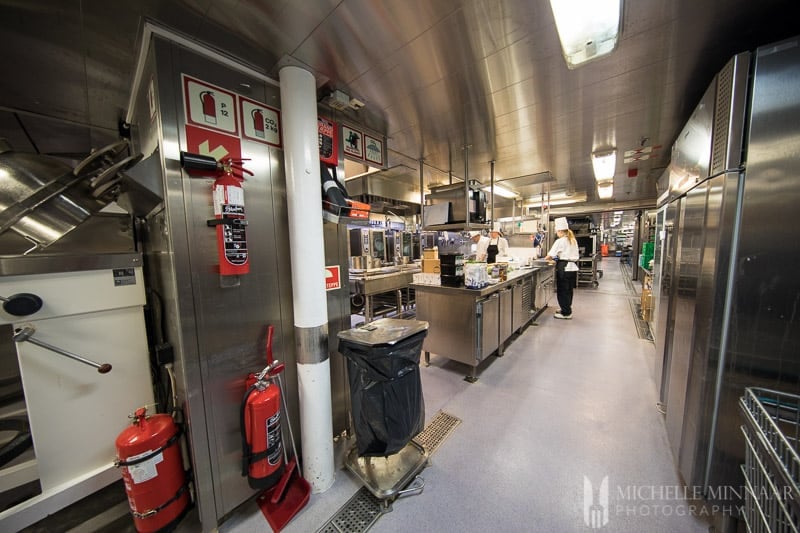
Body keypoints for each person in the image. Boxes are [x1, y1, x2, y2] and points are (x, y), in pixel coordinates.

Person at [544, 217, 579, 319]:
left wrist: (544, 260)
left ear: (560, 231)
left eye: (556, 232)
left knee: (562, 290)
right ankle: (566, 309)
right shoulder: (572, 240)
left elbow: (550, 255)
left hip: (564, 268)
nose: (556, 233)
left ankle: (566, 313)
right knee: (568, 290)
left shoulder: (560, 241)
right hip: (572, 268)